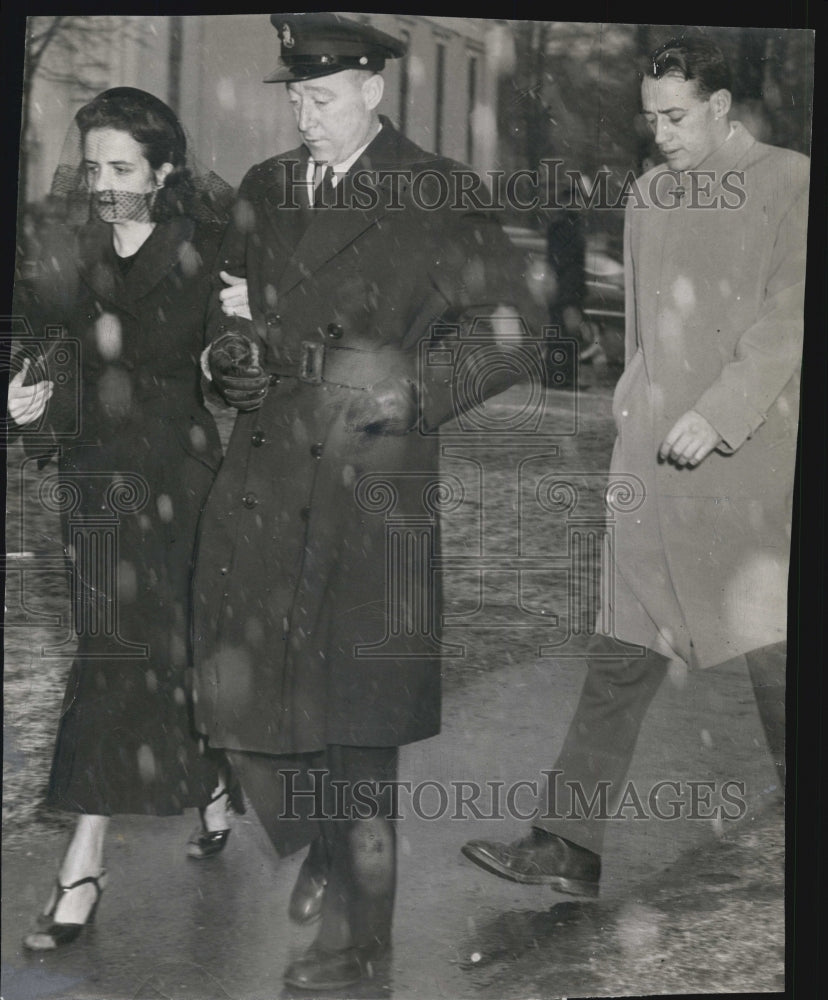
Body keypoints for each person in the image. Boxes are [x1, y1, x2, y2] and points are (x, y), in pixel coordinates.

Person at [192, 13, 543, 990]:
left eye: (326, 97)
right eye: (297, 97)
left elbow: (516, 331)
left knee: (358, 732)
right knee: (243, 705)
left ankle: (357, 949)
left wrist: (417, 391)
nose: (307, 115)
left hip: (373, 487)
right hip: (266, 485)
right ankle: (320, 851)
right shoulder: (264, 190)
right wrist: (228, 364)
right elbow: (226, 321)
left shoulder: (436, 193)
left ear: (374, 91)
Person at [462, 36, 809, 896]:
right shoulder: (648, 194)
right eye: (650, 118)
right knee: (622, 650)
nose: (659, 133)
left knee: (775, 661)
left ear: (722, 108)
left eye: (676, 116)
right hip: (652, 461)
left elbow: (789, 322)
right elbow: (653, 334)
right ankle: (567, 842)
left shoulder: (790, 183)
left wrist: (718, 413)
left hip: (750, 466)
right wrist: (633, 415)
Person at [11, 87, 243, 951]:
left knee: (164, 649)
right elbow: (44, 341)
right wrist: (25, 391)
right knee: (113, 655)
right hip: (94, 484)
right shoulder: (70, 252)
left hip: (178, 483)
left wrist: (234, 354)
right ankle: (129, 830)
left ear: (164, 170)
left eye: (121, 169)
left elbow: (229, 357)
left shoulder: (204, 251)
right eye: (93, 167)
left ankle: (137, 824)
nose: (102, 185)